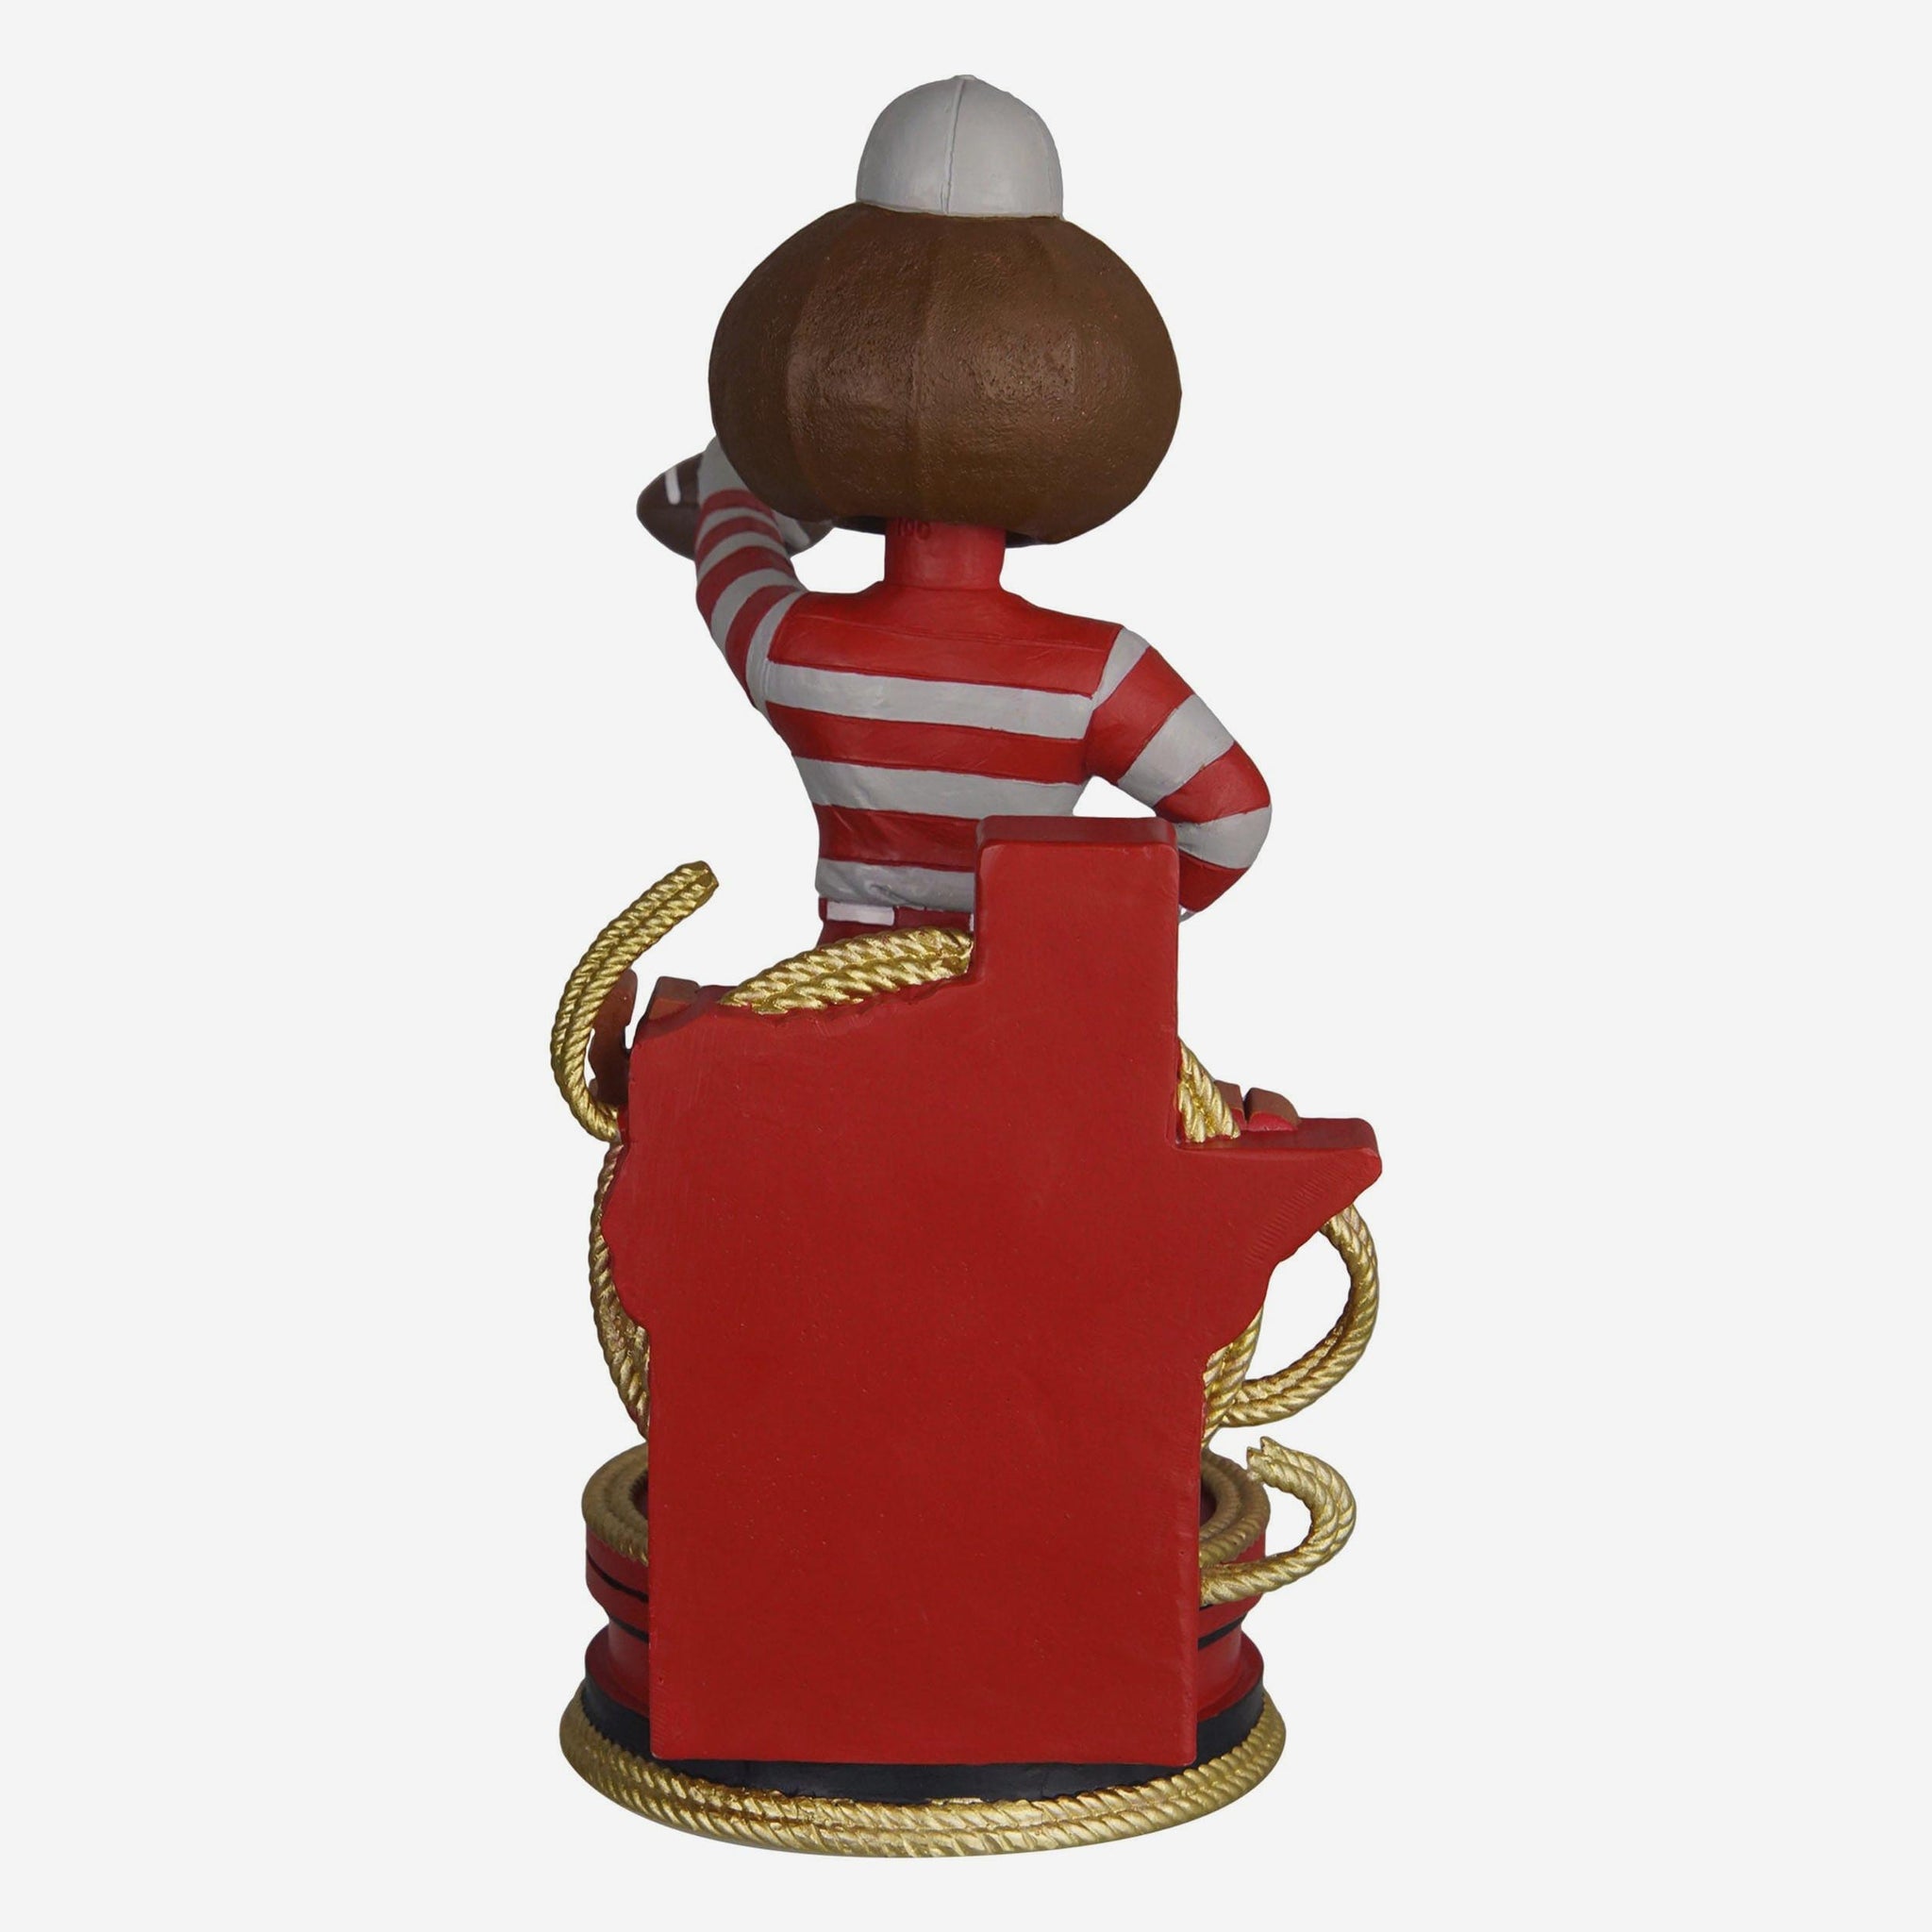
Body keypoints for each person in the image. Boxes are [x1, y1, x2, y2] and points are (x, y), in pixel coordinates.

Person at [641, 77, 1271, 944]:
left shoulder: (795, 650)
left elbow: (730, 574)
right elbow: (1233, 820)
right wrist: (1070, 929)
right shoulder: (1097, 675)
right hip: (1021, 994)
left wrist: (731, 482)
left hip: (843, 985)